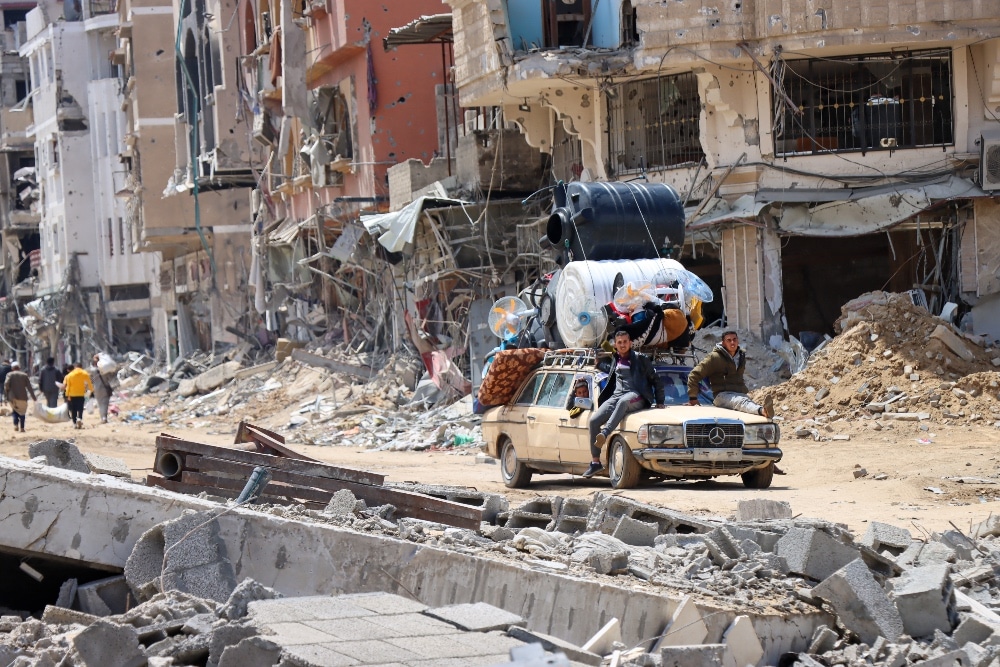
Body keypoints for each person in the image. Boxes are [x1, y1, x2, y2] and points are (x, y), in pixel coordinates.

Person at [583, 329, 665, 479]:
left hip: (637, 395)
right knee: (594, 421)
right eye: (619, 342)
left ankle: (605, 433)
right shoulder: (616, 358)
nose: (622, 345)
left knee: (623, 402)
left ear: (630, 343)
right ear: (615, 344)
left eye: (625, 342)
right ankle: (595, 463)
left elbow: (656, 379)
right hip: (617, 396)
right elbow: (613, 371)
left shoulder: (641, 359)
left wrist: (660, 401)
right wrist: (599, 365)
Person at [686, 330, 774, 419]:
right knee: (741, 402)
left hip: (738, 394)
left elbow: (739, 378)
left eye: (734, 339)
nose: (732, 342)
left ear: (738, 341)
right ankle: (762, 411)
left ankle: (762, 411)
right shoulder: (714, 357)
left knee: (747, 406)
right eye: (729, 340)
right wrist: (693, 398)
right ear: (723, 343)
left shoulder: (741, 356)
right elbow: (694, 375)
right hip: (721, 396)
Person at [4, 361, 36, 432]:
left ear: (12, 368)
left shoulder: (9, 375)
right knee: (22, 412)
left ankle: (15, 425)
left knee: (15, 411)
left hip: (12, 397)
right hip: (22, 397)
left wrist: (6, 394)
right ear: (19, 368)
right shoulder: (24, 375)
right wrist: (34, 397)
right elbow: (29, 387)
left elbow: (6, 384)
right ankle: (22, 427)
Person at [63, 362, 94, 429]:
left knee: (73, 409)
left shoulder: (69, 375)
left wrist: (67, 395)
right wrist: (91, 391)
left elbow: (68, 386)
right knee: (80, 408)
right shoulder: (85, 373)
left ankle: (74, 423)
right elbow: (89, 383)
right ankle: (79, 418)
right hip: (81, 394)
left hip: (72, 394)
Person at [89, 354, 115, 424]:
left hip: (96, 389)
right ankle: (104, 418)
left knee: (100, 404)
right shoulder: (105, 371)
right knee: (105, 403)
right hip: (104, 388)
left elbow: (90, 380)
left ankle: (102, 418)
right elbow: (110, 377)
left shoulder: (92, 370)